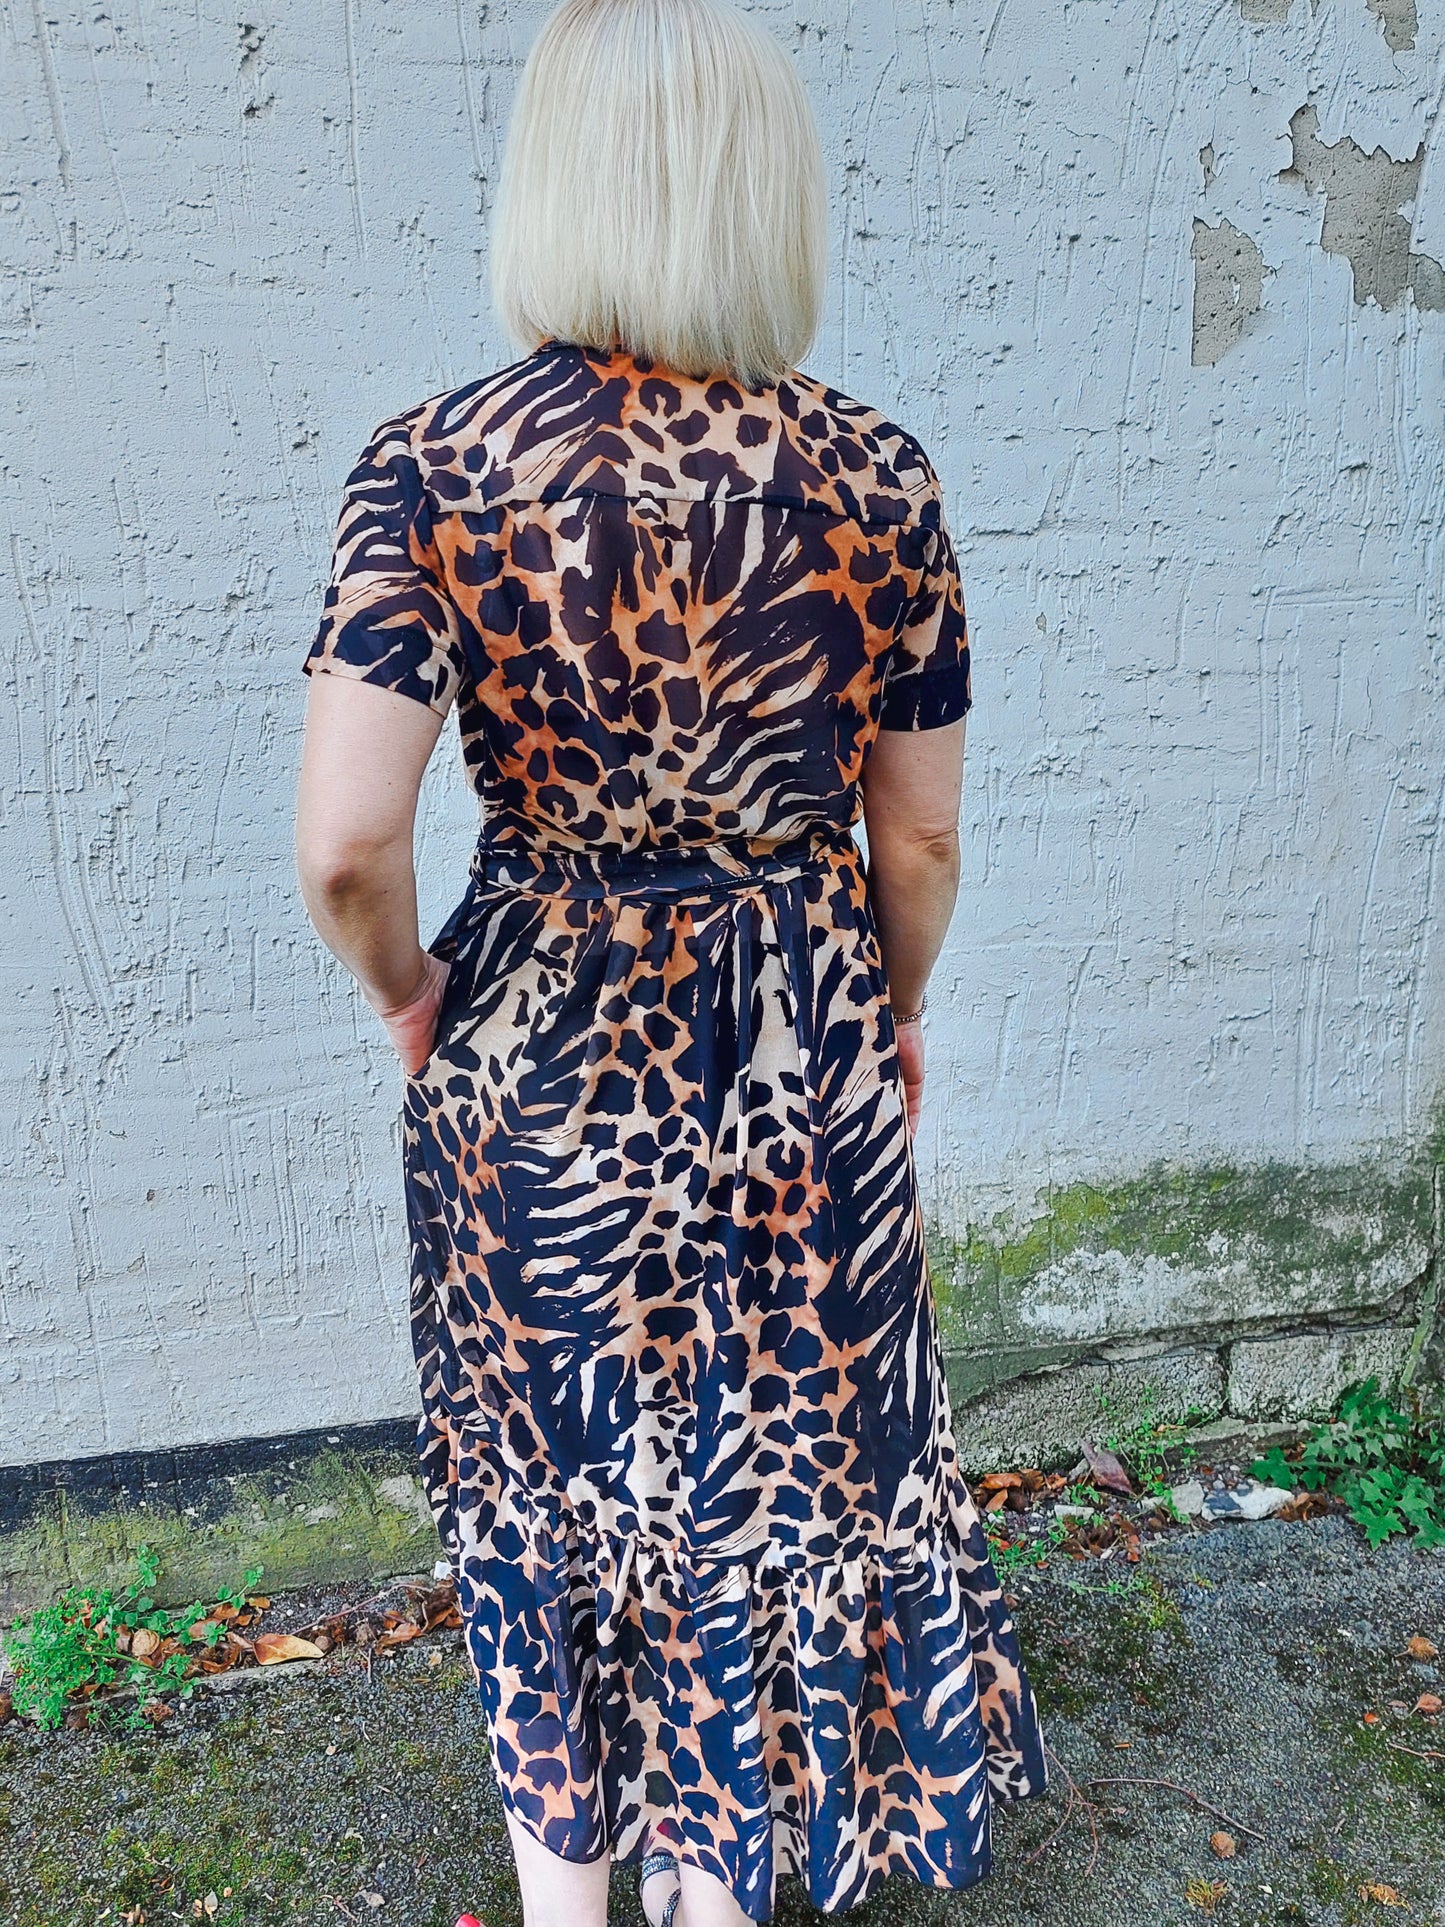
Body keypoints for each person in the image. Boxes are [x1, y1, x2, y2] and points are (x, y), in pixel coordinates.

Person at [295, 2, 1047, 1923]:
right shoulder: (875, 475)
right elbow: (919, 839)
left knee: (554, 1480)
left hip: (534, 1040)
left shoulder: (431, 468)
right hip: (801, 1040)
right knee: (772, 1478)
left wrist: (408, 992)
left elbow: (347, 841)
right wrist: (893, 1013)